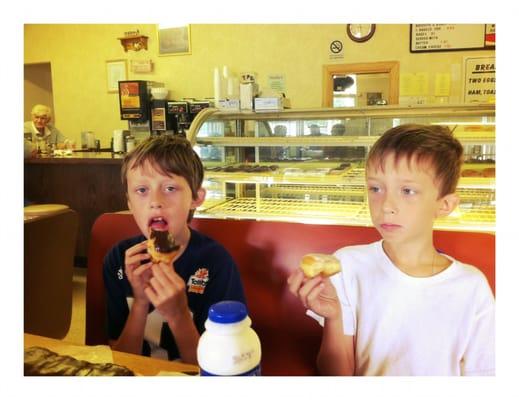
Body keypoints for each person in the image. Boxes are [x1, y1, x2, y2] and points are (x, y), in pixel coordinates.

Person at [287, 124, 495, 376]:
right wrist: (334, 317)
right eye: (375, 188)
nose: (386, 205)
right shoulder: (347, 265)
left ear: (445, 205)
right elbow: (337, 375)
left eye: (407, 191)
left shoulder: (471, 287)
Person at [103, 135, 247, 363]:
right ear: (129, 204)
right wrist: (140, 302)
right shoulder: (119, 260)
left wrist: (179, 314)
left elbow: (220, 368)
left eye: (170, 188)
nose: (155, 201)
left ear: (196, 198)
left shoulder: (216, 262)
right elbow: (120, 361)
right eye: (142, 190)